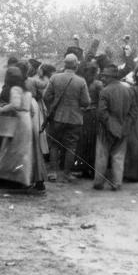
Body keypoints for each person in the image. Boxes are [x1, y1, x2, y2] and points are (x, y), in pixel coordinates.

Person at [0, 67, 47, 191]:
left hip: (18, 122)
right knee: (24, 152)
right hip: (27, 119)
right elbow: (31, 110)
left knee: (10, 150)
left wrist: (1, 109)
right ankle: (24, 180)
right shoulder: (27, 91)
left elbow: (15, 105)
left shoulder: (15, 89)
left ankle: (7, 178)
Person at [43, 53, 90, 183]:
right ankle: (67, 174)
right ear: (76, 65)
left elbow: (46, 96)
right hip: (75, 119)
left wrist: (52, 107)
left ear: (64, 64)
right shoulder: (81, 81)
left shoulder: (54, 78)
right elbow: (86, 102)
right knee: (71, 147)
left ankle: (53, 173)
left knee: (54, 145)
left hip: (57, 117)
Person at [93, 65, 137, 191]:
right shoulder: (129, 90)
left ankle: (98, 183)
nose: (103, 79)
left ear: (110, 77)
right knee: (118, 157)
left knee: (102, 155)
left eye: (104, 76)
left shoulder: (105, 91)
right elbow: (134, 111)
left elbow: (101, 112)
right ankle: (117, 183)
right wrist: (126, 126)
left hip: (106, 129)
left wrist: (110, 125)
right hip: (123, 129)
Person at [74, 61, 103, 178]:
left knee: (83, 142)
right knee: (93, 142)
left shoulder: (82, 82)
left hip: (83, 114)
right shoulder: (98, 84)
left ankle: (83, 168)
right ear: (96, 72)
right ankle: (92, 169)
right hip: (94, 114)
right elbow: (102, 100)